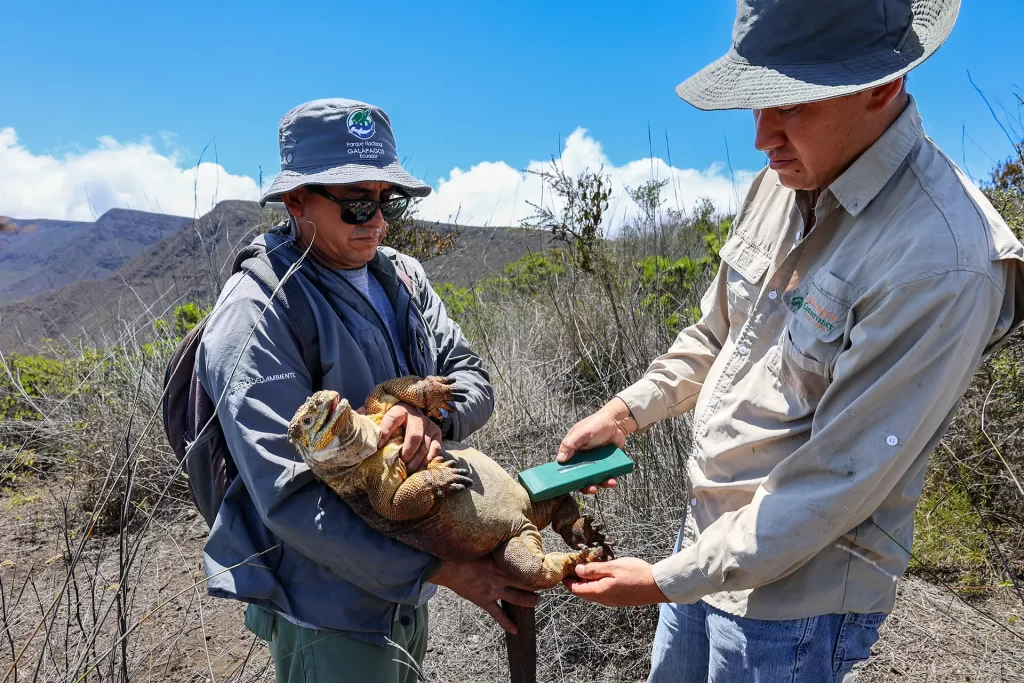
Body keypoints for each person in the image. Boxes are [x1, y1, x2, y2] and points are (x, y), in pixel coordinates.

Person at [556, 1, 1024, 681]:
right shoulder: (783, 180)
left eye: (789, 104)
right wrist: (628, 411)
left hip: (795, 602)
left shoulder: (941, 259)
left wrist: (663, 579)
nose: (761, 136)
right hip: (706, 545)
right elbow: (717, 332)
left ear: (880, 87)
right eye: (756, 101)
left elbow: (833, 485)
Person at [196, 98, 538, 683]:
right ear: (296, 200)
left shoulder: (403, 276)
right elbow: (289, 496)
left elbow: (471, 377)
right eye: (356, 203)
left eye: (388, 200)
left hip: (406, 595)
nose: (377, 221)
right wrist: (444, 570)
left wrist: (428, 418)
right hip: (328, 610)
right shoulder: (257, 315)